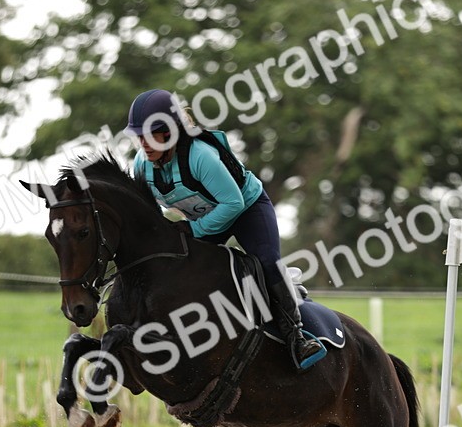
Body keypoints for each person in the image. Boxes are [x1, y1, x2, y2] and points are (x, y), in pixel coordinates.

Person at [124, 88, 326, 371]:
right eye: (138, 136)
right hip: (207, 218)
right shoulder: (141, 166)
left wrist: (193, 230)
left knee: (266, 261)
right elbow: (151, 218)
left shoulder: (200, 156)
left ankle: (297, 337)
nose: (142, 143)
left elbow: (233, 203)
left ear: (169, 132)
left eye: (150, 133)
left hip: (246, 210)